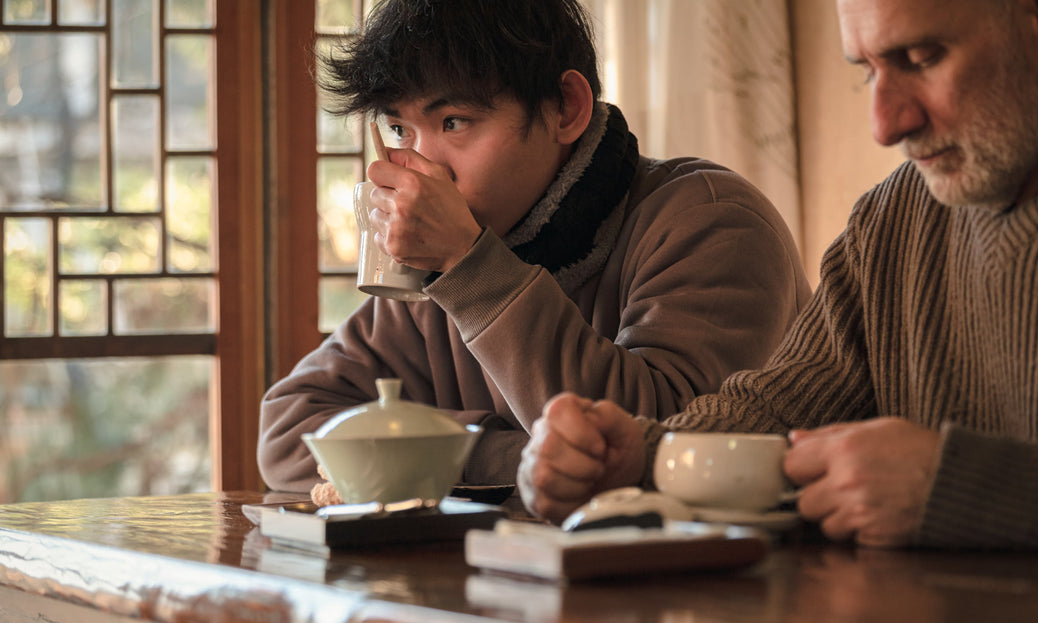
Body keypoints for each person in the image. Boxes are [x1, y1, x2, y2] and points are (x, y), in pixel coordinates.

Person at [519, 0, 1038, 549]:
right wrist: (641, 455)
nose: (885, 126)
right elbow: (777, 415)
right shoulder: (890, 221)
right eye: (867, 71)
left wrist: (972, 490)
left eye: (921, 57)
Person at [257, 0, 810, 493]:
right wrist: (506, 455)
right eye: (400, 131)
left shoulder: (710, 221)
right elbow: (289, 432)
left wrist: (468, 266)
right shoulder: (447, 262)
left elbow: (663, 450)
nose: (422, 169)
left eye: (453, 121)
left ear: (566, 108)